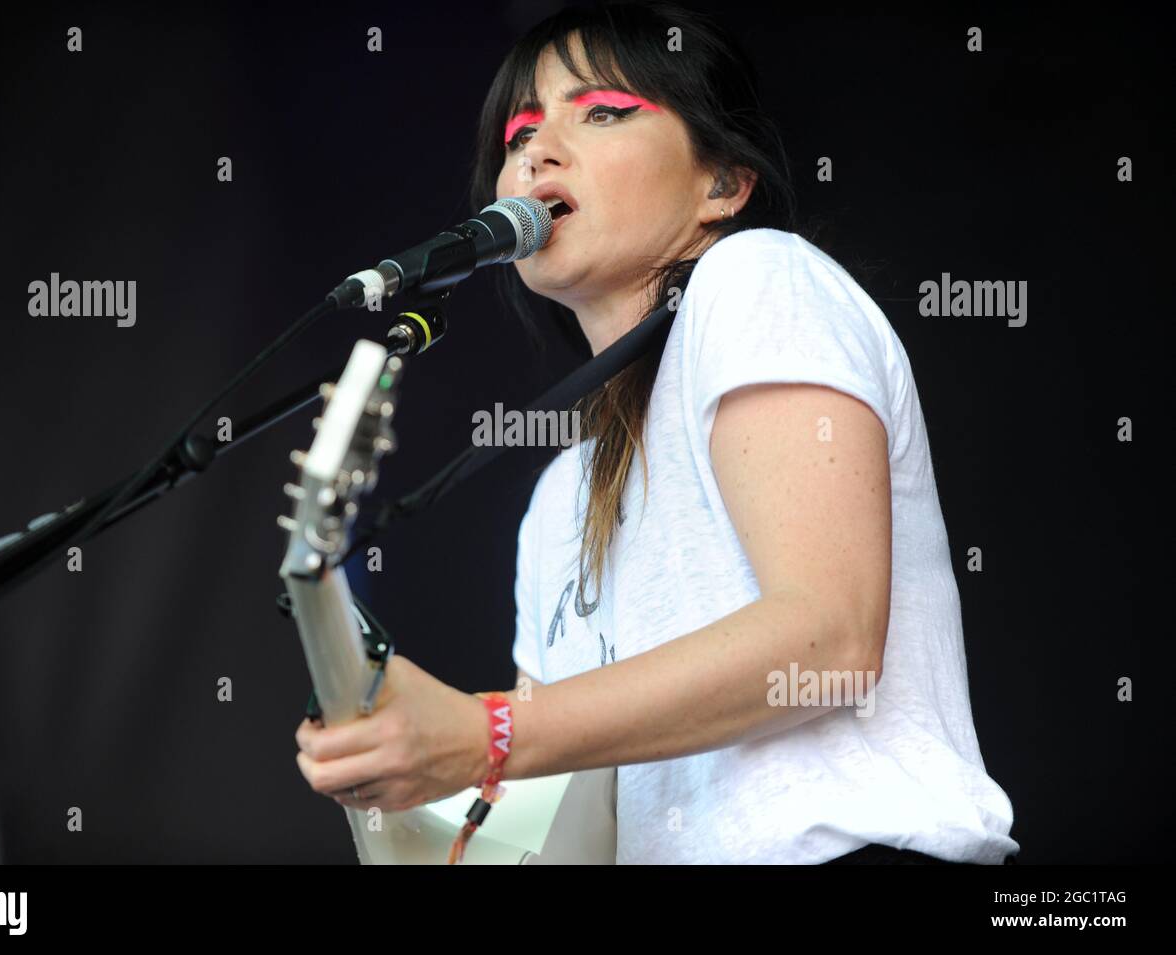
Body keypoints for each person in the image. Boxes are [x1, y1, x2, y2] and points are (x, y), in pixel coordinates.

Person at [295, 1, 1019, 865]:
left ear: (723, 183)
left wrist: (487, 730)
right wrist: (420, 809)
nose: (537, 150)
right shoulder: (558, 497)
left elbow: (830, 637)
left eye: (601, 112)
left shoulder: (757, 277)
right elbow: (563, 824)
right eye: (520, 132)